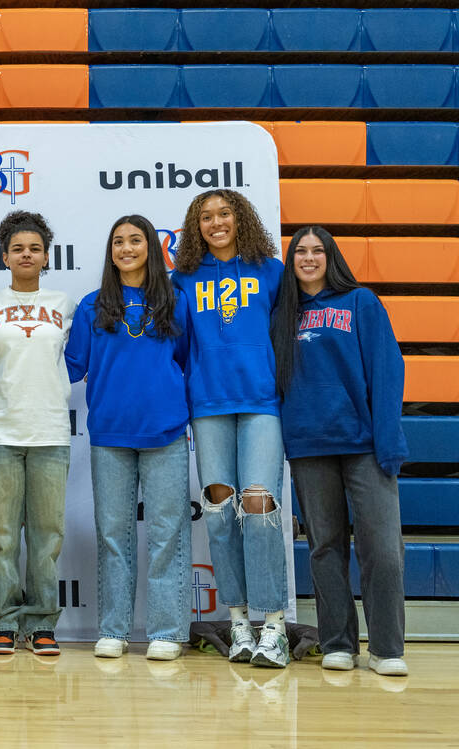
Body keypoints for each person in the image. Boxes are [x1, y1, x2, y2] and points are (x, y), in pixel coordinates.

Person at [271, 226, 408, 676]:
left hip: (365, 445)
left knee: (382, 549)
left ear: (331, 257)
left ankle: (387, 649)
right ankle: (338, 643)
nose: (308, 258)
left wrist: (389, 440)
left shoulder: (360, 302)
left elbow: (388, 370)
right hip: (310, 447)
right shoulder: (283, 314)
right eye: (300, 252)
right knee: (324, 547)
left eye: (318, 251)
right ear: (291, 262)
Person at [171, 188, 290, 668]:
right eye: (206, 217)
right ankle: (239, 620)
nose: (216, 222)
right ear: (195, 227)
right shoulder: (184, 279)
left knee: (259, 503)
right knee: (219, 509)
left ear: (240, 218)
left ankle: (275, 624)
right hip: (208, 403)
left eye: (224, 213)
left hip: (261, 400)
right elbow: (178, 347)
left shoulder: (271, 271)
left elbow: (287, 334)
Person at [66, 215, 191, 661]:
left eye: (135, 240)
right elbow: (71, 365)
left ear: (151, 249)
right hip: (110, 435)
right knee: (114, 536)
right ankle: (114, 630)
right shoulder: (91, 305)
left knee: (167, 536)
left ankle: (167, 632)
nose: (126, 249)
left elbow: (187, 361)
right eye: (118, 242)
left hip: (166, 431)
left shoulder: (176, 301)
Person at [0, 211, 75, 657]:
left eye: (34, 248)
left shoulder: (65, 304)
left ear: (46, 256)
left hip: (51, 432)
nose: (26, 254)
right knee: (2, 537)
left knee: (47, 535)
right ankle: (2, 621)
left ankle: (41, 623)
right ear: (5, 256)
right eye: (18, 249)